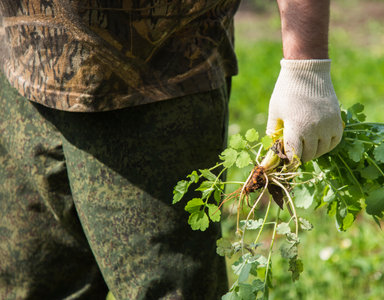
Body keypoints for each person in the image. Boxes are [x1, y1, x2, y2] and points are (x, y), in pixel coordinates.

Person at [0, 0, 342, 299]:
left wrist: (305, 66)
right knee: (30, 282)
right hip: (18, 61)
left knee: (168, 287)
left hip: (155, 82)